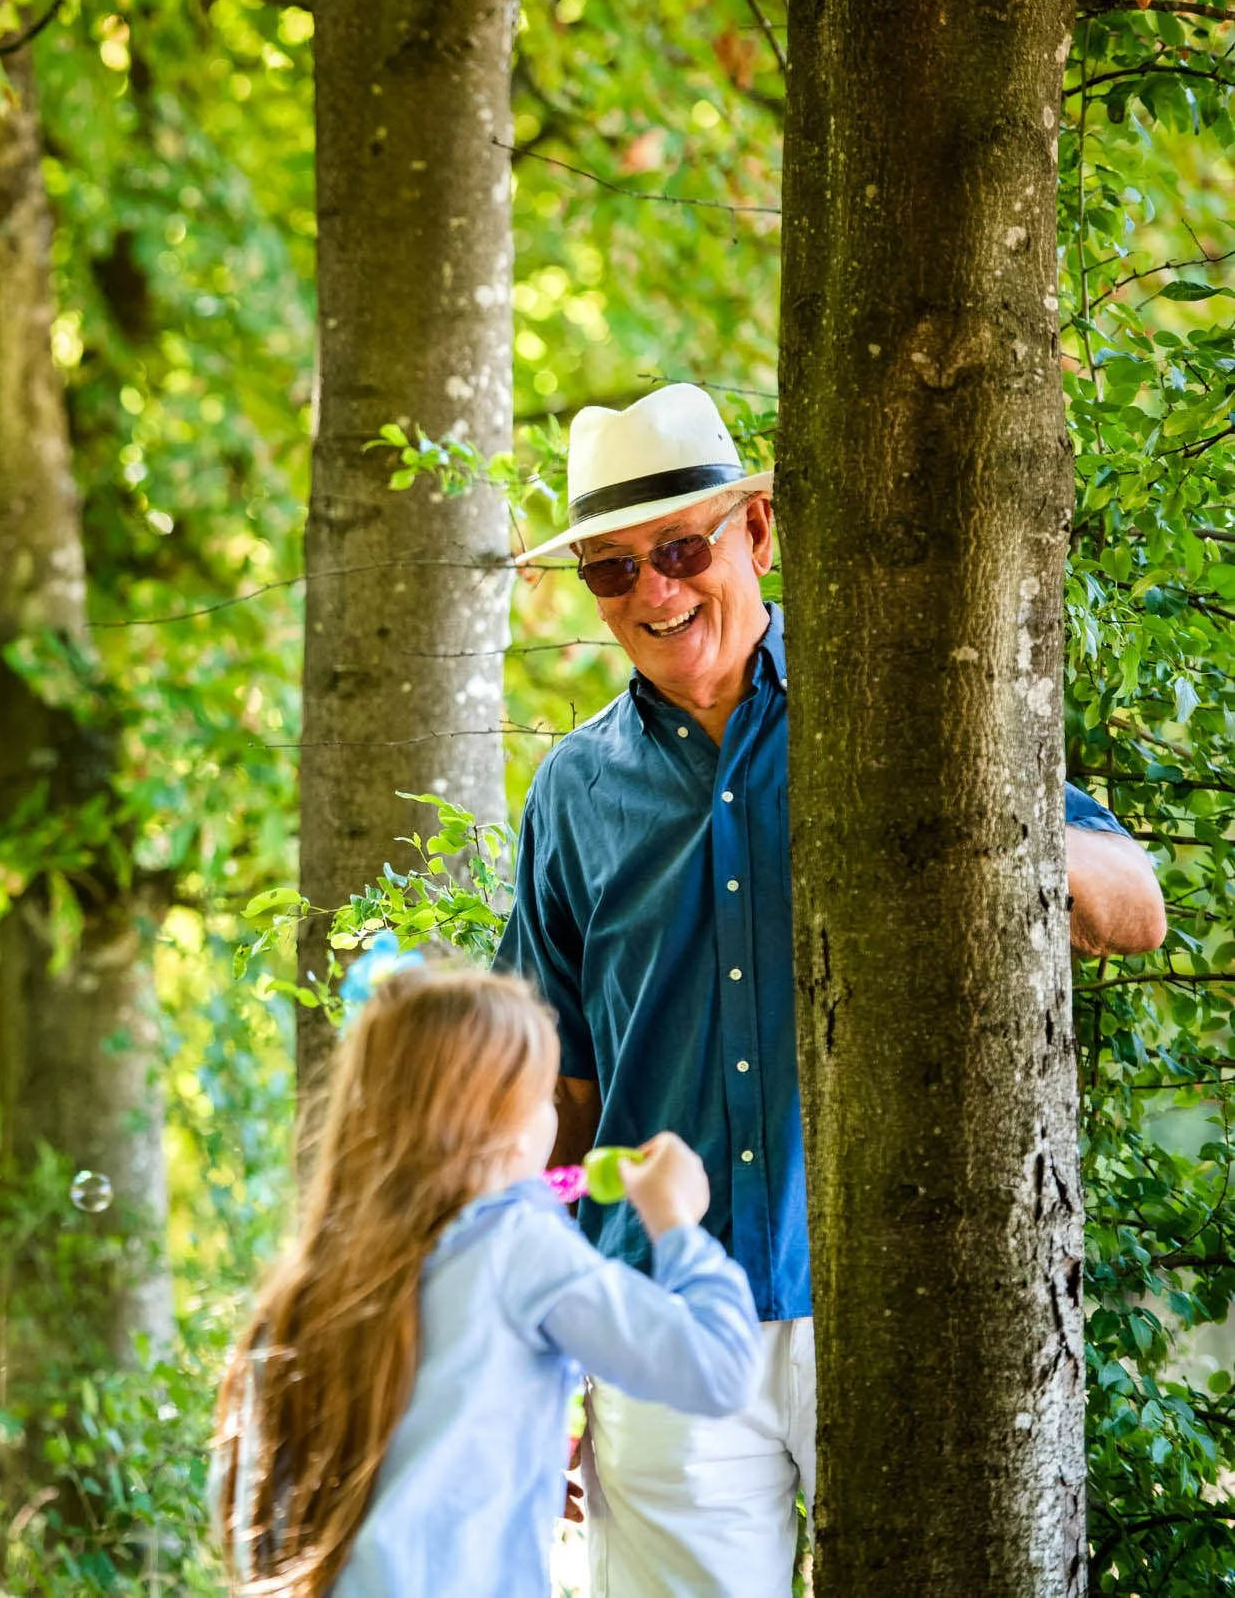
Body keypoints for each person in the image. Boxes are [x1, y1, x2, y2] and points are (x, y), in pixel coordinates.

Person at [497, 382, 1168, 1596]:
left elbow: (1135, 905)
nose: (653, 593)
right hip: (659, 1322)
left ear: (755, 532)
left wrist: (977, 823)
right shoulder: (570, 794)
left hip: (894, 1298)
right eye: (610, 571)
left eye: (680, 549)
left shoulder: (900, 713)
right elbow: (557, 1099)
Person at [210, 963, 762, 1598]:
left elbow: (271, 1491)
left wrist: (500, 1461)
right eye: (545, 1098)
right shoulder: (518, 1246)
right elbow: (719, 1371)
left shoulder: (314, 1279)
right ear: (507, 1126)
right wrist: (678, 1226)